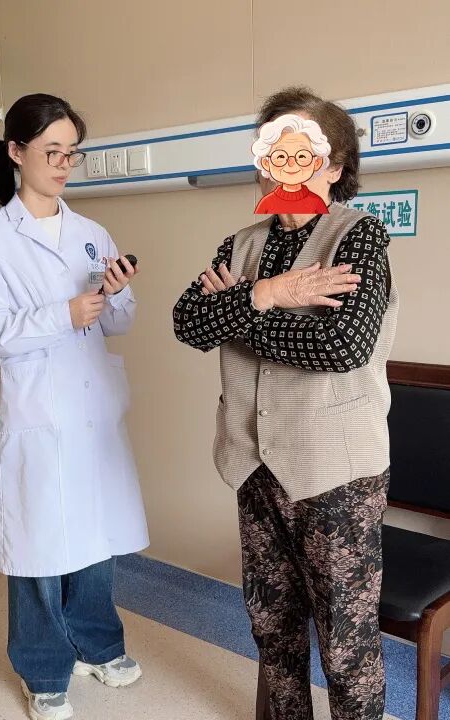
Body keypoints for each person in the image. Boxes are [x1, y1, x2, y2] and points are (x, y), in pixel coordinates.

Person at [173, 86, 398, 720]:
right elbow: (189, 322)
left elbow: (341, 345)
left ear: (335, 164)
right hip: (253, 464)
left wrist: (238, 310)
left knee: (346, 646)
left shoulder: (358, 237)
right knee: (273, 627)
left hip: (336, 473)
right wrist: (270, 294)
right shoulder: (241, 243)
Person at [0, 94, 149, 720]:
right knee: (39, 547)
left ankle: (98, 644)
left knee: (94, 536)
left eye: (72, 153)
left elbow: (116, 323)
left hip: (91, 406)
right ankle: (43, 670)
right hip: (38, 411)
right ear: (17, 152)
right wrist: (61, 314)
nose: (64, 164)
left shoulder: (92, 235)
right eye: (52, 152)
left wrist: (113, 294)